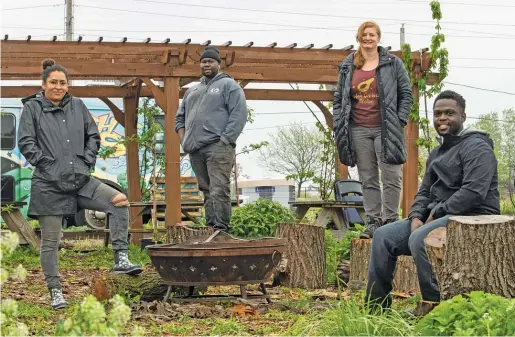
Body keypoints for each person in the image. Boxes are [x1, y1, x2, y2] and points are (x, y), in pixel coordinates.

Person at [18, 59, 143, 310]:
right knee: (51, 242)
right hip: (48, 184)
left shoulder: (78, 105)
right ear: (43, 85)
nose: (58, 86)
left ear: (67, 85)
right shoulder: (32, 108)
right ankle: (55, 291)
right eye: (53, 82)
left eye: (62, 82)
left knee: (119, 202)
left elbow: (93, 136)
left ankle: (120, 258)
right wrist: (51, 167)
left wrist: (86, 162)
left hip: (81, 179)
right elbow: (26, 143)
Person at [365, 90, 500, 314]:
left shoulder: (477, 147)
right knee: (383, 236)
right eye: (438, 114)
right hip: (439, 214)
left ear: (463, 116)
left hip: (474, 214)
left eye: (449, 113)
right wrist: (417, 216)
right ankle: (376, 310)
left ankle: (434, 308)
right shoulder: (437, 152)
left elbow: (474, 191)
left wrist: (436, 214)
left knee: (421, 238)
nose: (442, 118)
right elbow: (425, 190)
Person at [333, 21, 413, 238]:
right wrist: (339, 122)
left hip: (386, 129)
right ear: (358, 38)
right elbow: (339, 99)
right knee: (368, 178)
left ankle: (390, 221)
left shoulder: (392, 63)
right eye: (364, 35)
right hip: (358, 129)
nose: (368, 38)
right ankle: (373, 222)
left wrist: (400, 120)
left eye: (372, 35)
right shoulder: (348, 65)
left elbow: (406, 94)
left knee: (391, 176)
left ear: (378, 38)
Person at [175, 46, 248, 231]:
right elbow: (179, 118)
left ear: (218, 64)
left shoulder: (229, 86)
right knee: (206, 190)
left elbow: (239, 114)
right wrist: (184, 140)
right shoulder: (192, 90)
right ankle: (211, 228)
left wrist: (224, 139)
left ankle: (222, 229)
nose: (206, 64)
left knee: (218, 189)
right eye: (203, 62)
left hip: (218, 147)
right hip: (195, 149)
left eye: (210, 61)